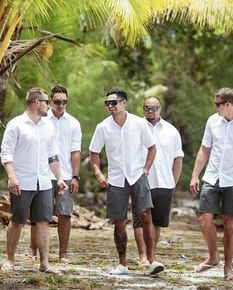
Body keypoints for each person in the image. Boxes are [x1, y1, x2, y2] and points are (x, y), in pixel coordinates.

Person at [89, 88, 163, 275]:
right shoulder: (103, 127)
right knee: (119, 221)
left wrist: (145, 169)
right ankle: (122, 264)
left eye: (113, 103)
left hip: (138, 176)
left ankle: (152, 261)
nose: (110, 106)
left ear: (124, 103)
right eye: (107, 103)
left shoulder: (139, 123)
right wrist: (98, 173)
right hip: (115, 178)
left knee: (146, 216)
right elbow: (94, 152)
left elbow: (152, 148)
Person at [0, 87, 68, 274]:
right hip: (22, 181)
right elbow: (6, 154)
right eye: (47, 102)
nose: (50, 106)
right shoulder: (16, 125)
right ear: (37, 103)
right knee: (18, 221)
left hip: (44, 182)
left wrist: (60, 178)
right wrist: (12, 177)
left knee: (43, 221)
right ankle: (10, 260)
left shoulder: (49, 126)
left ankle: (45, 264)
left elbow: (52, 156)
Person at [29, 85, 82, 264]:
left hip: (65, 174)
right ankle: (32, 251)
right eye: (57, 101)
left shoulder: (74, 123)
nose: (61, 105)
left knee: (65, 214)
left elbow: (76, 152)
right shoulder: (41, 120)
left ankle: (63, 253)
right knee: (38, 214)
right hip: (42, 173)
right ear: (51, 100)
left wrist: (75, 176)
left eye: (64, 102)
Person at [190, 87, 233, 281]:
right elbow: (204, 149)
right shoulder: (212, 121)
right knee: (204, 218)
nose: (215, 107)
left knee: (230, 224)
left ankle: (228, 267)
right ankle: (213, 256)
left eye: (217, 104)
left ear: (228, 104)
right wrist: (194, 175)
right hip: (212, 176)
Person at [133, 96, 184, 265]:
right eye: (147, 108)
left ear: (160, 109)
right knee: (141, 220)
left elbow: (178, 158)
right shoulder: (135, 127)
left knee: (157, 222)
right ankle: (143, 257)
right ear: (143, 109)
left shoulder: (172, 131)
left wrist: (173, 182)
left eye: (154, 108)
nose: (150, 111)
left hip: (164, 183)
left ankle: (151, 256)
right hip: (143, 181)